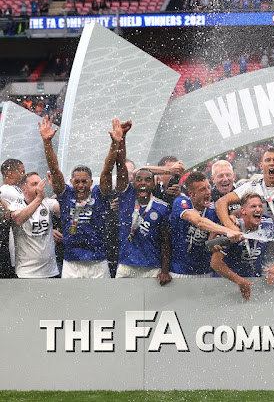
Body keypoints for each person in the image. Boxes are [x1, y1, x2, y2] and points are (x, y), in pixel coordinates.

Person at [39, 116, 125, 278]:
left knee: (102, 303)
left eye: (84, 181)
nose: (80, 185)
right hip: (71, 264)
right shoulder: (66, 195)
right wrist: (47, 143)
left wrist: (115, 143)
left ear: (91, 182)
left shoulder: (99, 194)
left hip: (98, 262)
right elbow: (55, 169)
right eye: (77, 182)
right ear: (71, 182)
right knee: (71, 303)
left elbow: (107, 170)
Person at [216, 147, 274, 280]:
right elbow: (221, 203)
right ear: (261, 165)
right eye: (268, 160)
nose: (272, 163)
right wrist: (230, 228)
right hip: (264, 254)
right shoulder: (253, 186)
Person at [112, 125, 172, 284]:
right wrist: (122, 139)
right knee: (120, 307)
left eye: (147, 180)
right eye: (139, 180)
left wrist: (165, 270)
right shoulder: (126, 199)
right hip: (125, 266)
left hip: (151, 268)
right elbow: (121, 167)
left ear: (154, 184)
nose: (143, 183)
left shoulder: (162, 207)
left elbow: (165, 241)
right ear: (133, 182)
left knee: (149, 309)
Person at [170, 171, 242, 277]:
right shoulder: (181, 202)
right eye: (202, 189)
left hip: (205, 271)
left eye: (208, 187)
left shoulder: (213, 210)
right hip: (180, 270)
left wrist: (232, 217)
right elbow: (198, 221)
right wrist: (228, 230)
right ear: (191, 193)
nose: (208, 192)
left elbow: (210, 242)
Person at [210, 193, 274, 300]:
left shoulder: (268, 225)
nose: (258, 209)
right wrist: (239, 280)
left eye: (260, 206)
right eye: (253, 206)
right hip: (228, 283)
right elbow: (215, 263)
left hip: (252, 283)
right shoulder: (233, 228)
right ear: (243, 211)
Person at [9, 172, 60, 278]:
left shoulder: (46, 202)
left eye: (40, 183)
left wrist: (58, 189)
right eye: (34, 184)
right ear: (24, 189)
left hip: (50, 271)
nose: (39, 187)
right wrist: (38, 199)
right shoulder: (17, 204)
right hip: (27, 272)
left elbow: (63, 209)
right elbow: (18, 219)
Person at [0, 158, 25, 278]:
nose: (24, 175)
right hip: (15, 245)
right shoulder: (6, 191)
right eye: (22, 172)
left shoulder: (16, 189)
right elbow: (30, 207)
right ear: (10, 173)